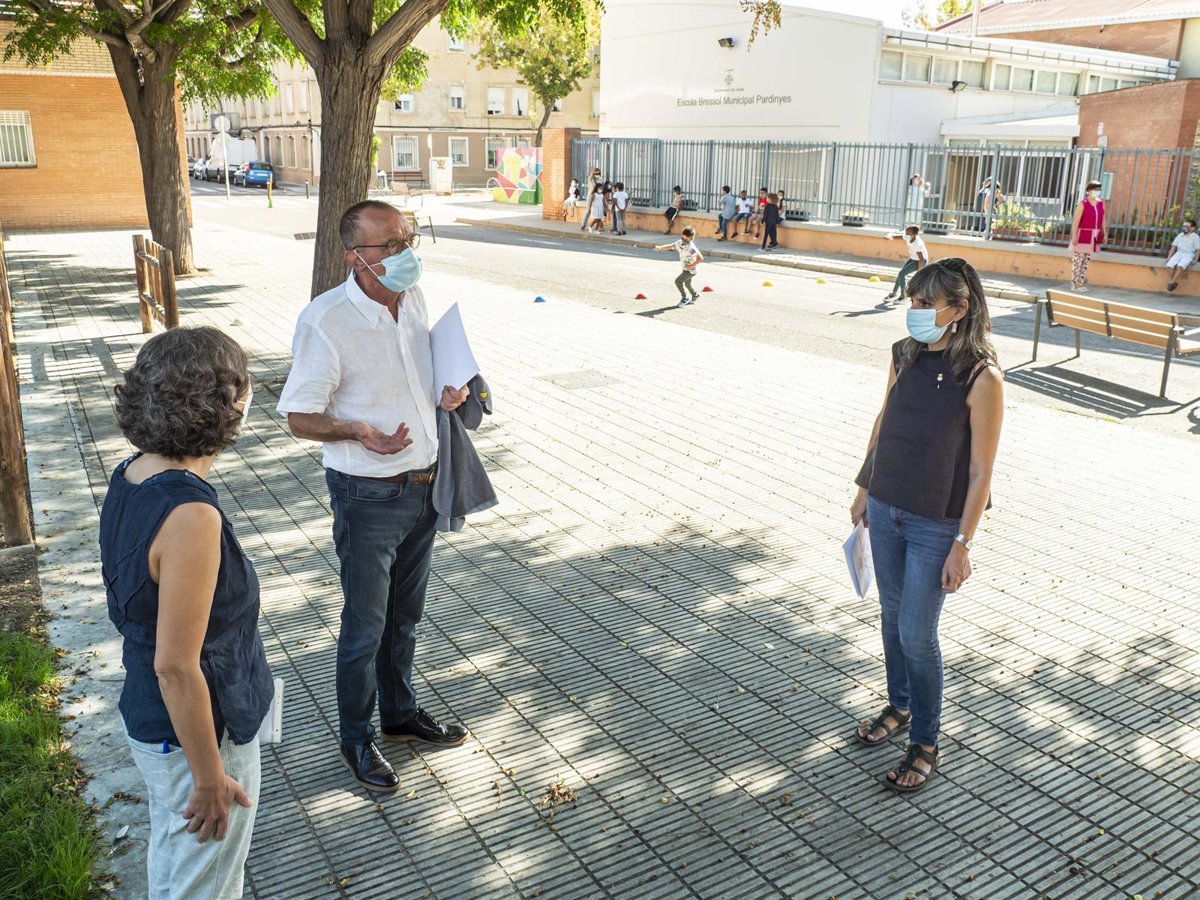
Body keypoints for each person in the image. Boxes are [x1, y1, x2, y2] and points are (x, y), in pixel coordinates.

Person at [277, 200, 471, 793]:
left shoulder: (413, 298)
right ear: (354, 258)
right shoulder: (325, 321)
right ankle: (356, 738)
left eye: (408, 239)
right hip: (367, 497)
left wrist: (446, 395)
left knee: (404, 619)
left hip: (424, 485)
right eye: (390, 245)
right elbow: (299, 417)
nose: (405, 253)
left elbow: (417, 378)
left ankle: (400, 714)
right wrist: (358, 431)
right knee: (366, 626)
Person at [101, 326, 273, 898]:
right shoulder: (192, 517)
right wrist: (208, 779)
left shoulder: (133, 473)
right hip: (196, 736)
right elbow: (176, 667)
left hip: (155, 723)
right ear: (228, 405)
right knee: (206, 883)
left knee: (177, 866)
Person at [850, 257, 1004, 795]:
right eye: (912, 301)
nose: (914, 311)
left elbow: (982, 471)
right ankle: (900, 705)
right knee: (892, 619)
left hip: (936, 523)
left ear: (958, 310)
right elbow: (883, 420)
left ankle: (925, 742)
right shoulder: (904, 353)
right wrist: (864, 487)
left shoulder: (982, 376)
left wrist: (963, 543)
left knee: (917, 633)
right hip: (886, 505)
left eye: (925, 303)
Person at [1069, 180, 1105, 292]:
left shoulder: (1100, 203)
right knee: (1078, 260)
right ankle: (1075, 285)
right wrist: (1074, 236)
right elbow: (1076, 222)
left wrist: (1105, 233)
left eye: (1099, 189)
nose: (1097, 191)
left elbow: (1103, 219)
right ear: (1089, 190)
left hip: (1094, 235)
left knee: (1085, 261)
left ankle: (1081, 284)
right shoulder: (1083, 204)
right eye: (1095, 189)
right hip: (1083, 234)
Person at [655, 226, 702, 307]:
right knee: (688, 284)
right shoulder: (680, 243)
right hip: (685, 269)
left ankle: (685, 298)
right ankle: (695, 295)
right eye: (682, 238)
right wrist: (660, 247)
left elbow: (700, 258)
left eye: (686, 239)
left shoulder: (691, 248)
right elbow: (671, 246)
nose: (683, 240)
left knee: (678, 281)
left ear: (691, 238)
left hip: (690, 271)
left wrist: (691, 266)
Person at [885, 225, 927, 302]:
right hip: (913, 258)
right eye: (906, 233)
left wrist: (919, 272)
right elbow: (900, 236)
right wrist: (891, 236)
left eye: (908, 233)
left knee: (901, 274)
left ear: (914, 234)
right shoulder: (909, 237)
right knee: (900, 274)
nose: (906, 235)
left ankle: (903, 295)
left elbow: (921, 258)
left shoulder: (917, 244)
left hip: (920, 261)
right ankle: (894, 293)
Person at [1164, 218, 1199, 292]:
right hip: (1178, 253)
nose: (1184, 228)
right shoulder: (1180, 235)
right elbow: (1174, 246)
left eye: (1187, 226)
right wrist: (1169, 257)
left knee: (1180, 266)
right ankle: (1173, 282)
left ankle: (1171, 283)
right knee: (1169, 266)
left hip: (1189, 254)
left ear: (1192, 228)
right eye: (1184, 226)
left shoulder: (1196, 237)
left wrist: (1195, 260)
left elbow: (1198, 249)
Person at [580, 167, 602, 231]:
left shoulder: (600, 179)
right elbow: (591, 175)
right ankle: (583, 224)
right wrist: (593, 172)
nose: (597, 174)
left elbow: (602, 187)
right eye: (596, 172)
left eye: (598, 172)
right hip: (591, 196)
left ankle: (596, 225)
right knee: (588, 210)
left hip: (597, 196)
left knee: (597, 210)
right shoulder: (591, 178)